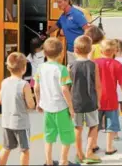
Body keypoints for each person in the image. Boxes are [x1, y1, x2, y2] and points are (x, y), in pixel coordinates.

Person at [34, 37, 75, 166]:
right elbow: (65, 89)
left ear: (44, 53)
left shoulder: (40, 68)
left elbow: (36, 87)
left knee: (48, 136)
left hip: (47, 107)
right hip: (61, 108)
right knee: (66, 135)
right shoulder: (61, 69)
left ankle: (49, 161)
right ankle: (63, 161)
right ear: (61, 53)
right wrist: (71, 107)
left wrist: (38, 102)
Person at [69, 36, 102, 164]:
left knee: (77, 128)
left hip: (76, 102)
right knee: (93, 125)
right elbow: (98, 85)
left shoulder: (70, 65)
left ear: (75, 50)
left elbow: (68, 86)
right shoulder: (94, 65)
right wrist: (98, 100)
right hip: (91, 101)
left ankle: (79, 154)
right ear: (90, 50)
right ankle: (89, 152)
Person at [0, 52, 35, 166]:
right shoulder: (24, 84)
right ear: (24, 68)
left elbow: (0, 99)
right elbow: (30, 104)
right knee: (24, 150)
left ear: (8, 68)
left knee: (6, 147)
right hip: (21, 123)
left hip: (6, 122)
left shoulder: (4, 82)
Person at [95, 39, 122, 155]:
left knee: (95, 124)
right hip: (111, 99)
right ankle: (109, 147)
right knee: (111, 124)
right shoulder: (117, 64)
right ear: (114, 51)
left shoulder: (95, 63)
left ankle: (93, 145)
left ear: (100, 50)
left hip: (97, 99)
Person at [45, 0, 90, 65]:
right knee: (71, 72)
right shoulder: (63, 16)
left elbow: (88, 30)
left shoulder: (76, 14)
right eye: (57, 2)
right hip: (70, 50)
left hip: (81, 51)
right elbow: (57, 25)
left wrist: (85, 46)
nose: (58, 4)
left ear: (67, 1)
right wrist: (46, 33)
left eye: (60, 2)